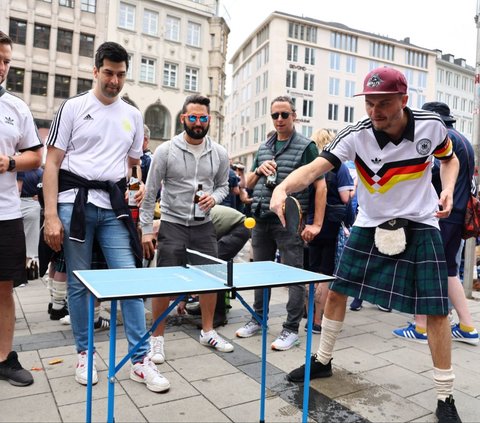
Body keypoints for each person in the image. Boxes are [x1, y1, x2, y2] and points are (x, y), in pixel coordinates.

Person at [270, 67, 462, 422]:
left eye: (384, 103)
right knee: (339, 290)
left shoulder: (432, 126)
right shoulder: (355, 136)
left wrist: (447, 187)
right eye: (370, 103)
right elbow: (315, 169)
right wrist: (282, 188)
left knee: (436, 309)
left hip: (421, 222)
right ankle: (323, 360)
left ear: (404, 101)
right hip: (370, 223)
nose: (375, 111)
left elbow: (450, 160)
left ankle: (445, 397)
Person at [42, 41, 169, 392]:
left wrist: (138, 186)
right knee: (80, 283)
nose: (114, 81)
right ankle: (84, 354)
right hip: (74, 204)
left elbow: (131, 168)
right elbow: (51, 163)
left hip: (113, 208)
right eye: (109, 73)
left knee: (129, 281)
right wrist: (51, 215)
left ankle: (140, 361)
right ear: (95, 71)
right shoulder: (72, 107)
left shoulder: (132, 114)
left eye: (121, 74)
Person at [140, 94, 234, 365]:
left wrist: (214, 199)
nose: (197, 123)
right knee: (164, 284)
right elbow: (149, 194)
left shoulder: (219, 153)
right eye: (192, 117)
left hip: (204, 225)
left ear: (209, 120)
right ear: (183, 118)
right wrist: (147, 229)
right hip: (173, 224)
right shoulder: (165, 151)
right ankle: (156, 339)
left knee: (212, 279)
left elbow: (223, 186)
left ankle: (208, 331)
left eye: (203, 118)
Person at [235, 95, 326, 351]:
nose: (279, 119)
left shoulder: (306, 146)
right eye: (275, 115)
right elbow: (248, 185)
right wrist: (258, 170)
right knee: (259, 272)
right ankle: (258, 318)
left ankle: (291, 329)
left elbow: (320, 185)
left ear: (294, 115)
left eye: (284, 114)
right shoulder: (264, 147)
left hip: (290, 221)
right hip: (262, 217)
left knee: (292, 275)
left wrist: (316, 224)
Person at [393, 101, 479, 346]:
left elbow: (429, 174)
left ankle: (420, 327)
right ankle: (467, 326)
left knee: (424, 267)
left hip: (438, 213)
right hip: (458, 213)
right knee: (449, 270)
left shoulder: (440, 140)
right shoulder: (462, 140)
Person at [0, 31, 42, 387]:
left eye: (6, 61)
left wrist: (10, 162)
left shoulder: (17, 108)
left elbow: (36, 156)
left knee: (3, 288)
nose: (2, 67)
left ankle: (4, 358)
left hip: (6, 214)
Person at [305, 129, 354, 333]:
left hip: (310, 224)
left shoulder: (311, 167)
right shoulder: (338, 167)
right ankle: (318, 321)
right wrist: (354, 189)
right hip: (330, 226)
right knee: (325, 274)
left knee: (312, 272)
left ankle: (309, 318)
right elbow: (345, 199)